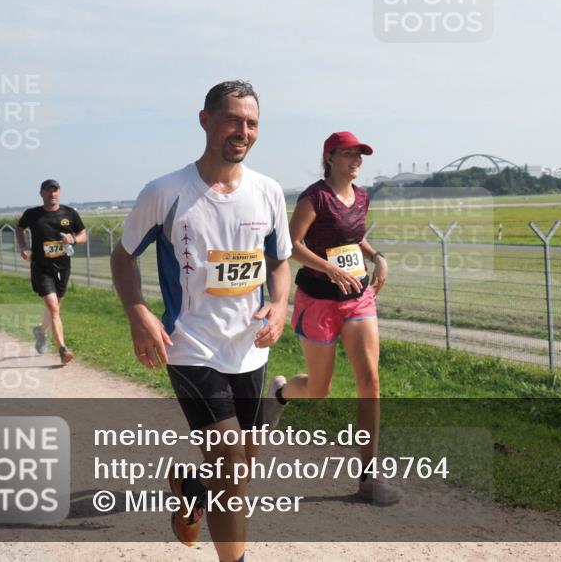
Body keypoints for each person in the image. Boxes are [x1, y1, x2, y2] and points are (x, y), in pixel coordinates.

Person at [110, 80, 291, 562]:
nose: (243, 131)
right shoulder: (166, 192)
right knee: (232, 461)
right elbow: (123, 257)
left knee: (243, 464)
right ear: (205, 120)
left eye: (252, 123)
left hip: (251, 346)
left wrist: (280, 303)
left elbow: (279, 261)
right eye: (233, 119)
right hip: (189, 345)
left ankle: (192, 487)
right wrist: (138, 312)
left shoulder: (269, 191)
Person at [267, 131, 402, 506]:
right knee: (319, 389)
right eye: (348, 154)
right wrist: (328, 269)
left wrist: (378, 256)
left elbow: (353, 236)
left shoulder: (361, 196)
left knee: (370, 380)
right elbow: (292, 245)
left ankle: (369, 477)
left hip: (357, 298)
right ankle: (278, 396)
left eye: (360, 155)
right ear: (330, 157)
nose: (356, 160)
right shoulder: (315, 197)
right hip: (318, 301)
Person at [15, 179, 87, 365]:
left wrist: (74, 240)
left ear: (59, 193)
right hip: (41, 266)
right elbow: (19, 229)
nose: (52, 194)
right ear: (41, 194)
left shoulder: (69, 213)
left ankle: (40, 331)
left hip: (63, 266)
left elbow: (83, 235)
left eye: (55, 191)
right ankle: (63, 350)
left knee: (55, 307)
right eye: (48, 191)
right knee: (53, 307)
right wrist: (23, 247)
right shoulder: (32, 214)